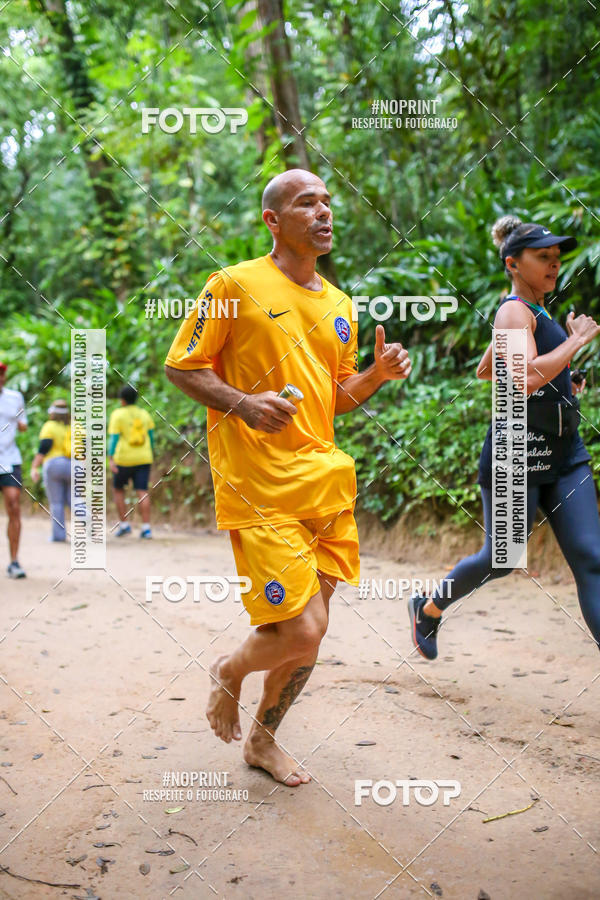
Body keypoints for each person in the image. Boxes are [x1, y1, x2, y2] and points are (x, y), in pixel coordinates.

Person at [165, 168, 411, 786]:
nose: (324, 212)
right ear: (273, 220)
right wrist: (245, 404)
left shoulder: (339, 305)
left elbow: (335, 399)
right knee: (303, 629)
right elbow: (181, 367)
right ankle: (228, 670)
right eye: (308, 203)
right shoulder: (232, 284)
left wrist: (375, 376)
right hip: (258, 485)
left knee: (306, 633)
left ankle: (262, 742)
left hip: (325, 483)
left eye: (328, 201)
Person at [408, 215, 600, 660]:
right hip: (517, 450)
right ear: (513, 264)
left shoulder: (531, 311)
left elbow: (489, 370)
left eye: (556, 258)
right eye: (542, 257)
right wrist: (575, 342)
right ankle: (429, 608)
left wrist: (564, 383)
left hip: (564, 452)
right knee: (502, 558)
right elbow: (522, 379)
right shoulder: (513, 309)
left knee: (591, 558)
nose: (554, 265)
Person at [108, 385, 155, 538]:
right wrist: (151, 453)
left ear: (122, 400)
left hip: (124, 459)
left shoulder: (118, 415)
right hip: (144, 458)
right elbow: (151, 438)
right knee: (142, 491)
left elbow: (114, 439)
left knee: (118, 490)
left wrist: (111, 458)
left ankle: (125, 525)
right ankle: (146, 528)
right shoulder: (144, 414)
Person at [0, 362, 27, 579]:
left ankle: (14, 561)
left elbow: (23, 424)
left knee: (14, 505)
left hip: (9, 459)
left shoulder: (15, 397)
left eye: (1, 374)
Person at [31, 399, 72, 542]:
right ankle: (90, 524)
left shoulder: (49, 426)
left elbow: (44, 447)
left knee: (57, 502)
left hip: (54, 464)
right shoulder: (74, 427)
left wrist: (34, 467)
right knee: (75, 500)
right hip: (74, 465)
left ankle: (59, 535)